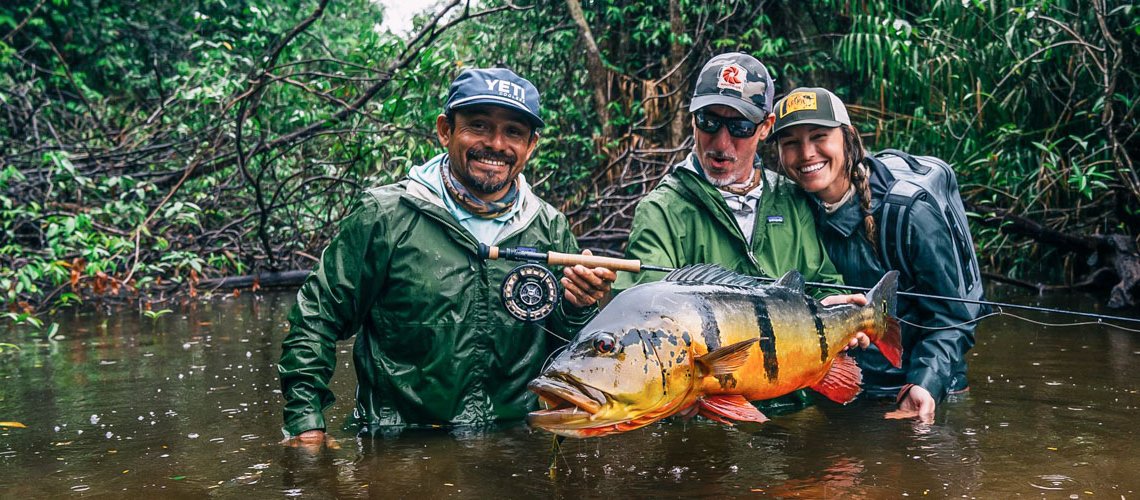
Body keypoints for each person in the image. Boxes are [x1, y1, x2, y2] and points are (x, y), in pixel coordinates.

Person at [278, 68, 617, 445]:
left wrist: (579, 306)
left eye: (514, 133)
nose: (496, 144)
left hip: (514, 444)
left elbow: (567, 355)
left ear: (531, 145)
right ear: (445, 130)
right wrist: (306, 422)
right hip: (398, 444)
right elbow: (315, 318)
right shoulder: (385, 216)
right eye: (478, 126)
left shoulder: (550, 227)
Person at [616, 54, 865, 410]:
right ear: (692, 120)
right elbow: (641, 317)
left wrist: (838, 311)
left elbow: (824, 282)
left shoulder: (793, 198)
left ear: (765, 127)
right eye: (709, 122)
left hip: (795, 404)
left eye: (740, 128)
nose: (721, 142)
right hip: (706, 414)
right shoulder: (661, 210)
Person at [769, 87, 989, 424]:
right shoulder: (790, 209)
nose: (806, 153)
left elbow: (954, 318)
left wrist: (924, 383)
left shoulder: (911, 213)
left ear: (848, 139)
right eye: (791, 143)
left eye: (819, 137)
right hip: (846, 392)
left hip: (922, 394)